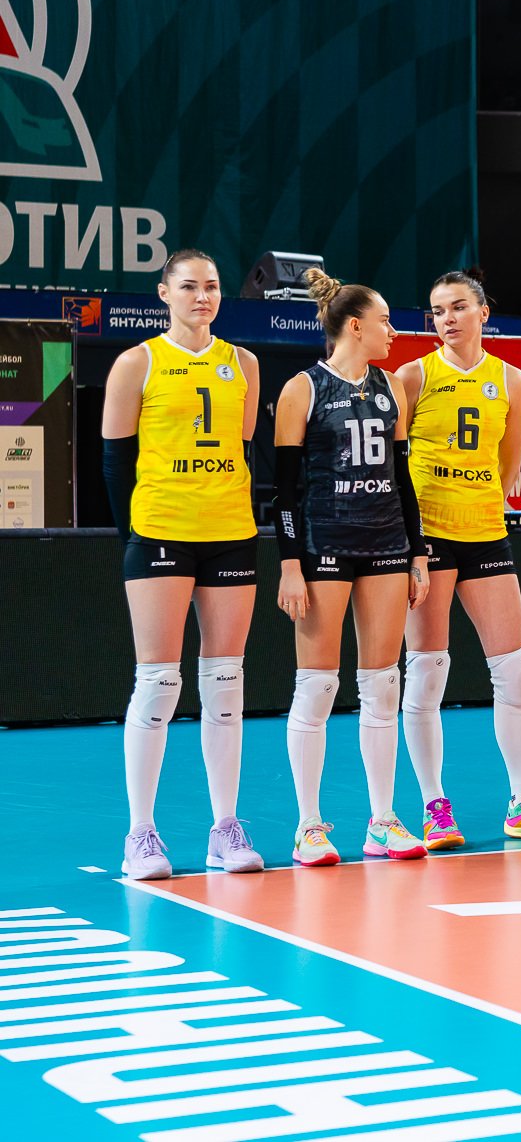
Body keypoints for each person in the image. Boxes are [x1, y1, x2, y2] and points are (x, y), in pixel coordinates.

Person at [102, 249, 263, 879]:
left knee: (226, 682)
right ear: (164, 293)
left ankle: (225, 828)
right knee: (158, 682)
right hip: (161, 533)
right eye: (190, 286)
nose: (203, 297)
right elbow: (115, 460)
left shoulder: (243, 363)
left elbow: (244, 451)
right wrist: (136, 535)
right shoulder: (136, 363)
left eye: (212, 287)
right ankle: (140, 834)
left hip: (230, 533)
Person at [396, 273, 521, 851]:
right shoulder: (415, 376)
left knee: (516, 669)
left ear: (483, 312)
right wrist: (411, 544)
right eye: (438, 310)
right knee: (426, 671)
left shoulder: (510, 379)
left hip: (486, 533)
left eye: (458, 307)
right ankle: (433, 806)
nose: (447, 318)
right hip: (428, 537)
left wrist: (480, 501)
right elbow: (395, 460)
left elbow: (509, 463)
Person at [272, 269, 431, 867]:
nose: (394, 331)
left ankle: (382, 820)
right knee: (317, 685)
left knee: (383, 684)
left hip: (386, 544)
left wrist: (417, 552)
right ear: (356, 326)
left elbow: (402, 478)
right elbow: (283, 490)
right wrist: (290, 564)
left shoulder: (392, 387)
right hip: (324, 547)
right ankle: (308, 826)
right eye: (386, 321)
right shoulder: (303, 389)